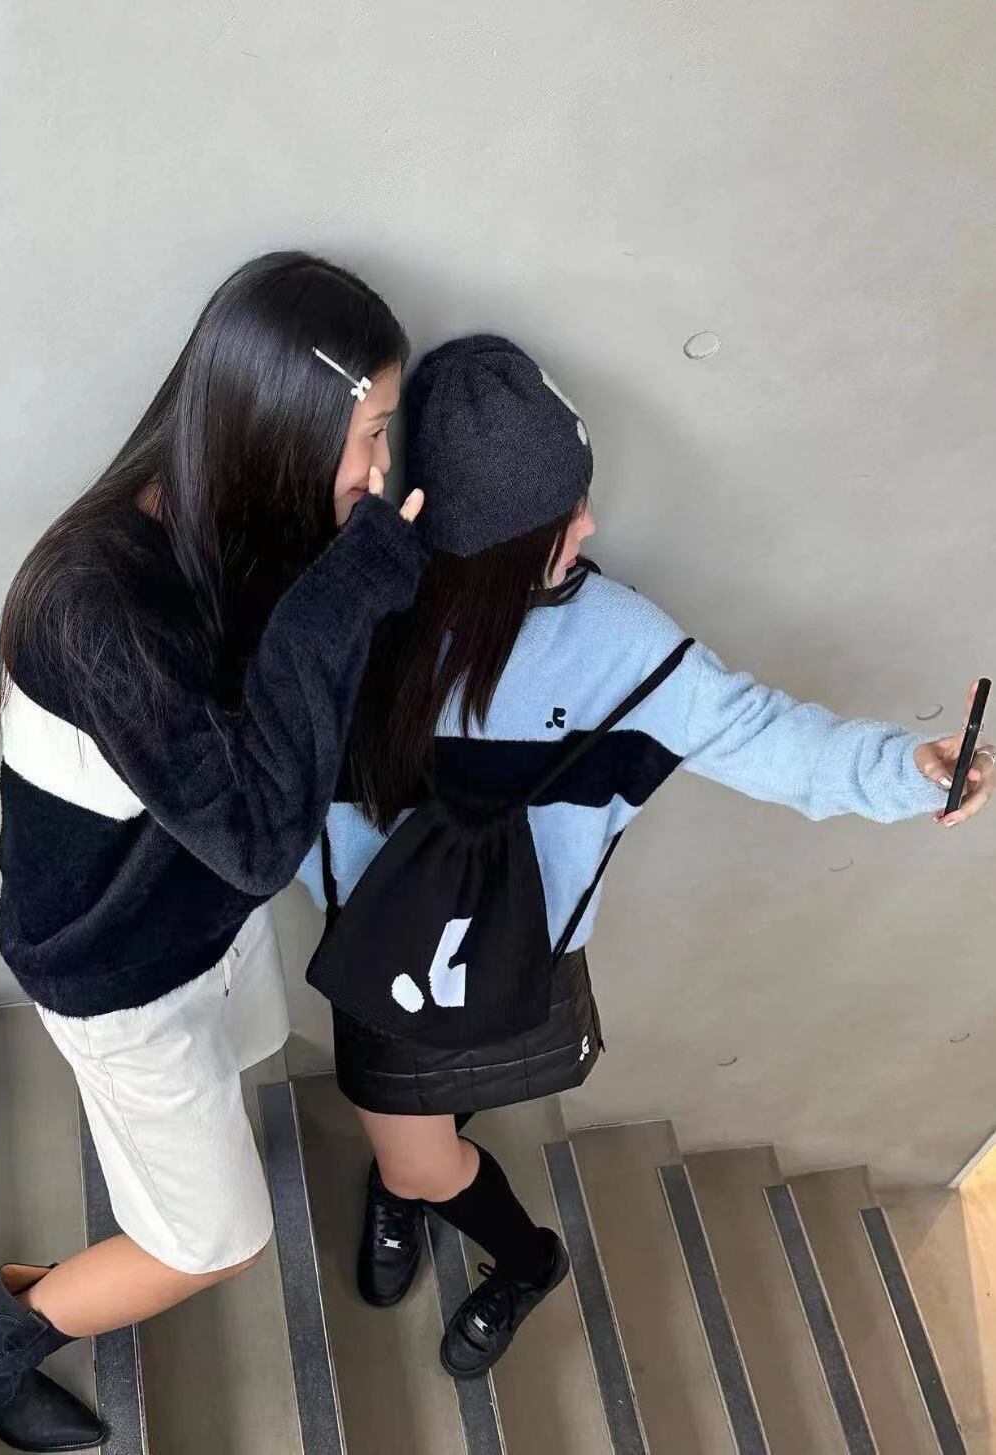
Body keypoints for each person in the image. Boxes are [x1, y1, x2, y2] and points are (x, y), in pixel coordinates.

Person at [296, 333, 994, 1381]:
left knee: (421, 1140)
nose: (589, 527)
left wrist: (906, 770)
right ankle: (468, 1218)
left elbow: (758, 733)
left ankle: (489, 1235)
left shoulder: (618, 640)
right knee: (417, 1146)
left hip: (517, 948)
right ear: (486, 541)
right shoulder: (359, 617)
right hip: (383, 953)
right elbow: (273, 778)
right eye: (563, 515)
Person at [0, 252, 426, 1451]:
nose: (380, 475)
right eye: (369, 435)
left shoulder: (240, 532)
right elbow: (258, 837)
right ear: (278, 428)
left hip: (201, 920)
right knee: (215, 1240)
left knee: (247, 1048)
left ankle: (183, 1141)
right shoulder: (92, 602)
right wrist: (346, 593)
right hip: (117, 972)